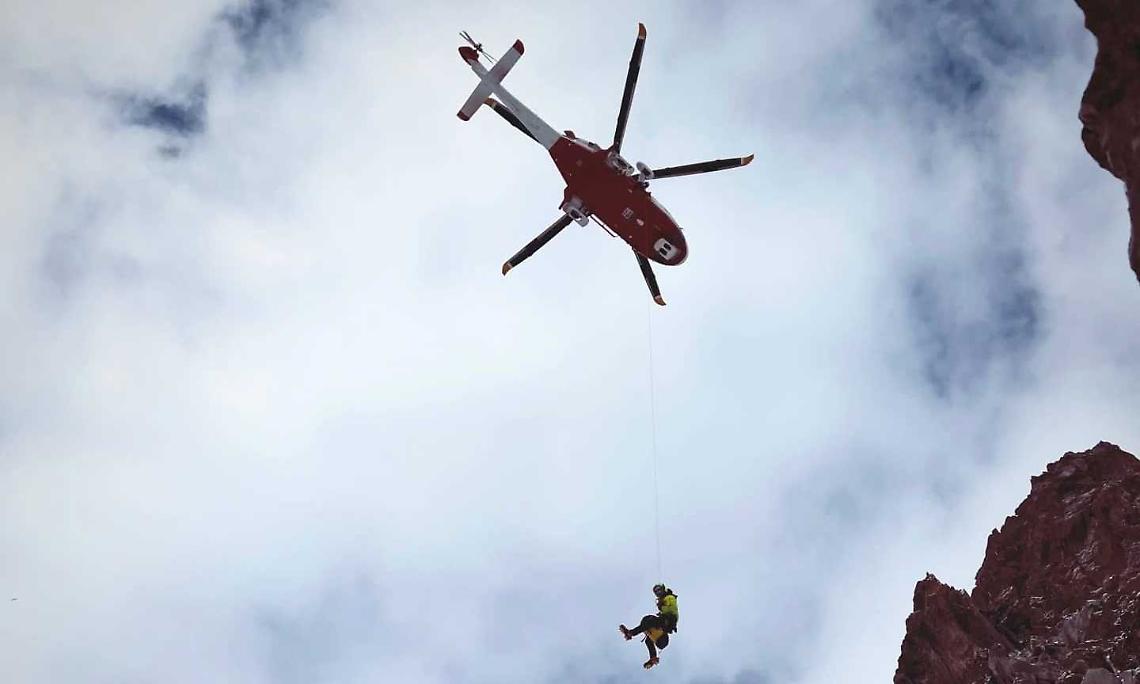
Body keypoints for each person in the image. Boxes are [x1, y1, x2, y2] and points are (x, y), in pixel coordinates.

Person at [619, 583, 679, 669]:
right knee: (648, 638)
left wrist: (662, 606)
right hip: (662, 639)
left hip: (669, 621)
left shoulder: (669, 597)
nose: (658, 592)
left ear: (663, 589)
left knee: (649, 620)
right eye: (656, 592)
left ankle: (631, 633)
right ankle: (653, 658)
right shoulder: (665, 599)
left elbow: (671, 607)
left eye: (659, 590)